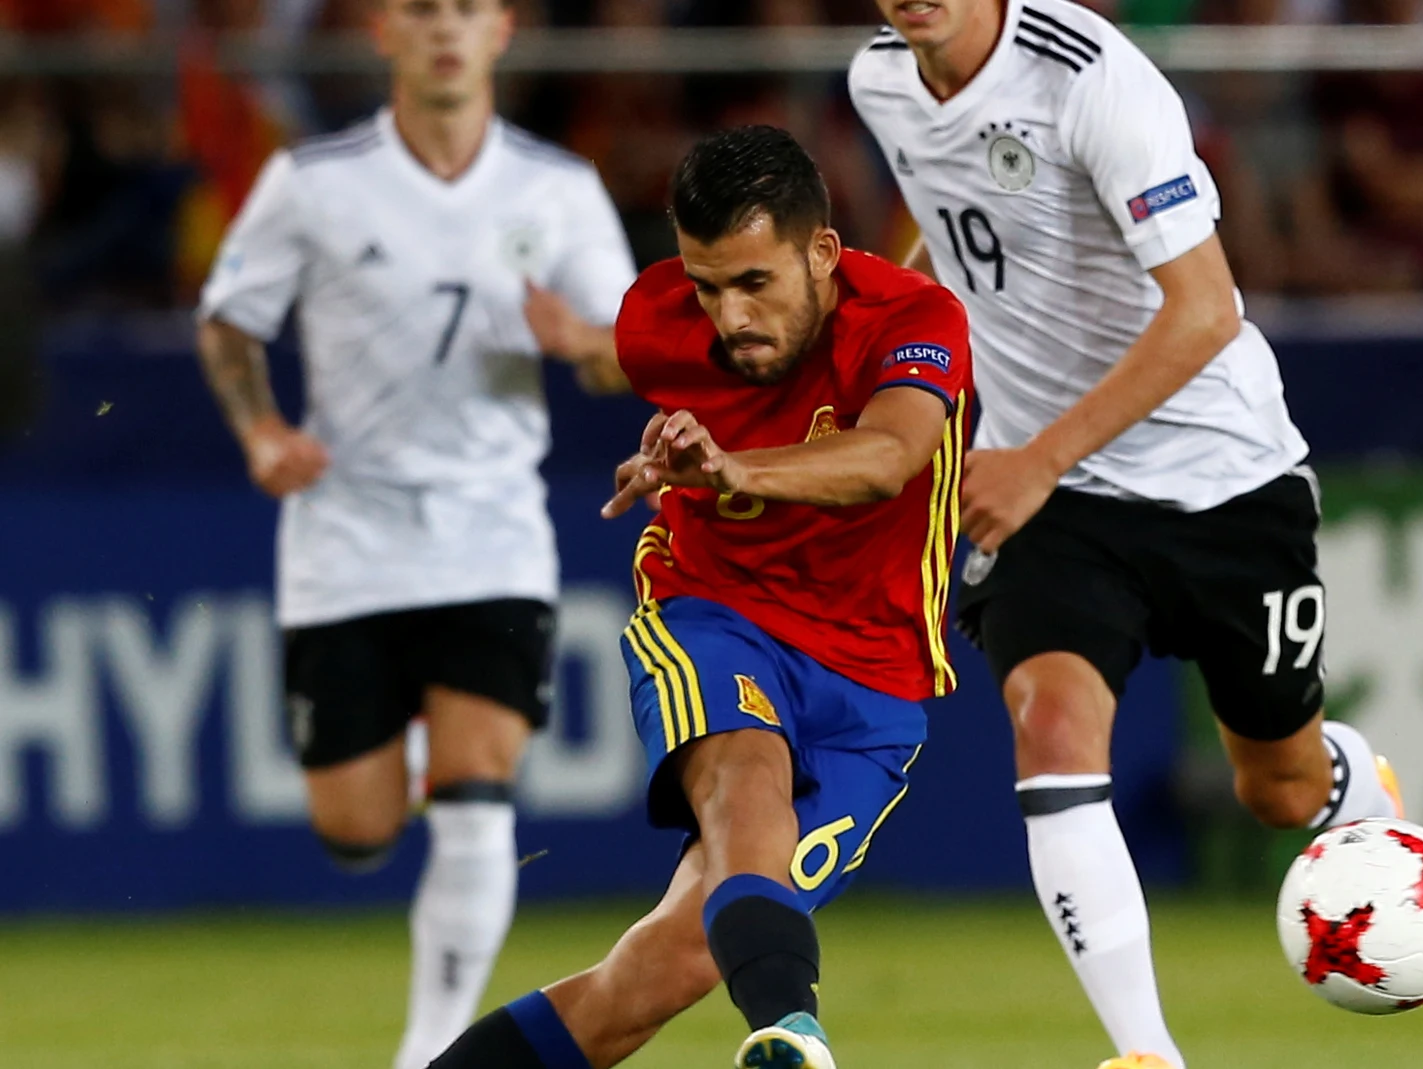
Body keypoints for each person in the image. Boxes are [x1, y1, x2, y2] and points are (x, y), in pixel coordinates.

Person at [850, 3, 1404, 1066]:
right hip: (1052, 494)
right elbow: (926, 213)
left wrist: (1037, 458)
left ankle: (1345, 774)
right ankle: (1146, 1052)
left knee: (1275, 789)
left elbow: (1201, 311)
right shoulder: (880, 80)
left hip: (1221, 477)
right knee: (1049, 723)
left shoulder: (1095, 80)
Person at [427, 125, 972, 1069]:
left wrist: (724, 464)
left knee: (667, 965)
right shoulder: (658, 322)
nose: (728, 317)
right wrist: (670, 451)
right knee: (742, 781)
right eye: (706, 285)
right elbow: (636, 364)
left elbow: (889, 458)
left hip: (876, 684)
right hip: (715, 611)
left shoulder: (916, 321)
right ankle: (792, 1031)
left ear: (823, 253)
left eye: (753, 283)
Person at [193, 2, 636, 1067]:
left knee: (479, 789)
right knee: (357, 827)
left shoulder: (556, 188)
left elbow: (635, 345)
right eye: (424, 10)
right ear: (386, 33)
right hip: (346, 535)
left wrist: (581, 337)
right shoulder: (315, 181)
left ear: (504, 33)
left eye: (468, 10)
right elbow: (228, 317)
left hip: (490, 530)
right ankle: (417, 771)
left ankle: (428, 1052)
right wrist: (260, 432)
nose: (446, 30)